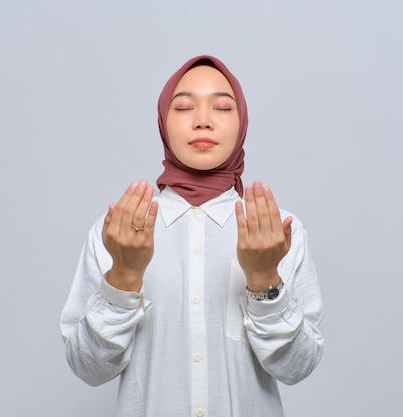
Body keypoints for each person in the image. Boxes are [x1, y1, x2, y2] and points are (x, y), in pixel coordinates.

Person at [60, 55, 324, 417]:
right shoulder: (119, 232)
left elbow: (298, 367)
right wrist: (123, 275)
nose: (203, 120)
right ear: (163, 123)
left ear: (242, 122)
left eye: (222, 107)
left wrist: (265, 279)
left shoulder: (278, 231)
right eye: (183, 106)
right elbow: (88, 369)